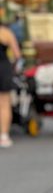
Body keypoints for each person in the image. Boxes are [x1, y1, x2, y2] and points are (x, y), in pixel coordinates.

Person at [0, 16, 21, 148]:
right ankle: (4, 135)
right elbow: (17, 55)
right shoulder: (6, 32)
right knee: (4, 103)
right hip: (3, 68)